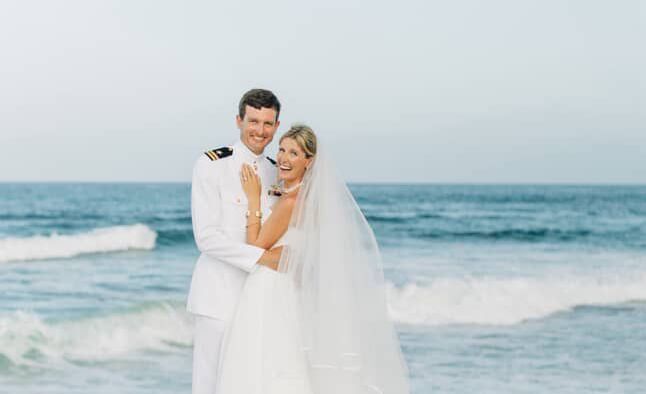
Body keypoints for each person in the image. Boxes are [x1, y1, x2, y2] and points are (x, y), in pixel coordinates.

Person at [217, 125, 410, 394]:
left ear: (309, 161)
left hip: (269, 291)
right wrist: (277, 256)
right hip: (288, 291)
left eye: (294, 153)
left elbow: (253, 247)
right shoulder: (309, 201)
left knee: (261, 366)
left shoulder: (291, 203)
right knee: (283, 363)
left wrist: (252, 202)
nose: (283, 158)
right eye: (282, 150)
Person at [187, 88, 284, 394]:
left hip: (260, 299)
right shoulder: (212, 164)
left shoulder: (275, 172)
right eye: (253, 121)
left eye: (268, 123)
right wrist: (261, 259)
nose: (260, 130)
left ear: (277, 127)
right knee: (209, 385)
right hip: (218, 296)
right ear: (239, 121)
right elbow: (206, 237)